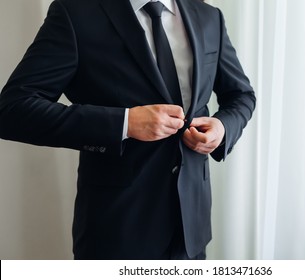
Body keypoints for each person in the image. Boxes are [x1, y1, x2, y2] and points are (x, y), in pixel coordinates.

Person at [0, 0, 256, 260]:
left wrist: (223, 127)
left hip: (190, 230)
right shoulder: (75, 12)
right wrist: (124, 123)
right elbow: (12, 110)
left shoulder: (208, 16)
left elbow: (241, 95)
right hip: (117, 228)